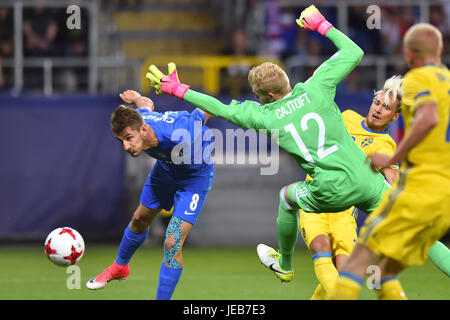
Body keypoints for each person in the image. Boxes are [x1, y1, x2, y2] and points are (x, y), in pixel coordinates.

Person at [147, 5, 391, 282]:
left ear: (269, 95)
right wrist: (322, 25)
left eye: (257, 94)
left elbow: (219, 107)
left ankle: (285, 265)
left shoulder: (264, 117)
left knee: (287, 197)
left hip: (329, 189)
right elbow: (354, 53)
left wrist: (178, 89)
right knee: (425, 242)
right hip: (363, 179)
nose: (256, 97)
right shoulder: (315, 86)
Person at [330, 22, 450, 300]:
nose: (380, 108)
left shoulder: (418, 79)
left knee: (357, 262)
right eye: (378, 102)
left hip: (421, 185)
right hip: (443, 193)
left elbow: (428, 118)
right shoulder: (445, 79)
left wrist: (393, 158)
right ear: (440, 50)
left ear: (409, 54)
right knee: (386, 271)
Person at [86, 84, 215, 301]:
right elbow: (145, 104)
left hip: (194, 178)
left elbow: (206, 108)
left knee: (172, 243)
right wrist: (135, 96)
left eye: (128, 138)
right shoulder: (142, 119)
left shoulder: (178, 133)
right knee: (138, 220)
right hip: (166, 171)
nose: (126, 146)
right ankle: (120, 267)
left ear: (143, 129)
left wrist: (240, 111)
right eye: (121, 141)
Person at [297, 75, 402, 300]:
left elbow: (394, 183)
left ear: (395, 116)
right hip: (315, 198)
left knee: (342, 275)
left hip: (344, 212)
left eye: (386, 108)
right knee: (320, 245)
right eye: (377, 103)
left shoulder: (387, 147)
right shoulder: (347, 118)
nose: (378, 110)